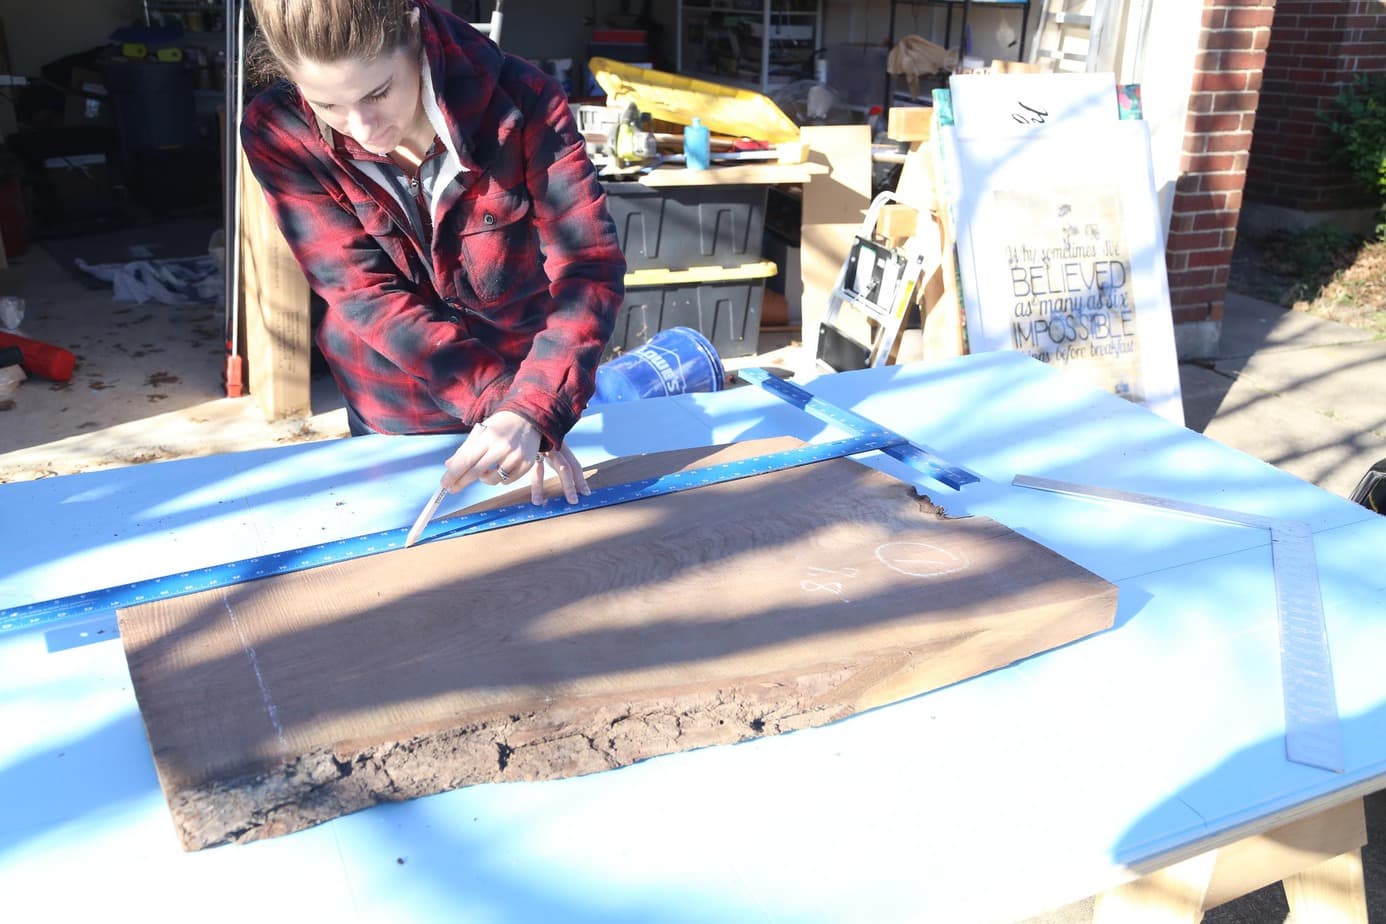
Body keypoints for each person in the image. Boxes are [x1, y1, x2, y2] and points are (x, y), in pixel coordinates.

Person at [241, 0, 625, 505]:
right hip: (393, 401)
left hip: (527, 381)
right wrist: (497, 402)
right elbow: (363, 293)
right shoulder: (278, 130)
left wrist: (533, 405)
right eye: (327, 106)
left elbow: (588, 267)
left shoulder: (524, 101)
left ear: (415, 35)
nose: (363, 129)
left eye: (378, 92)